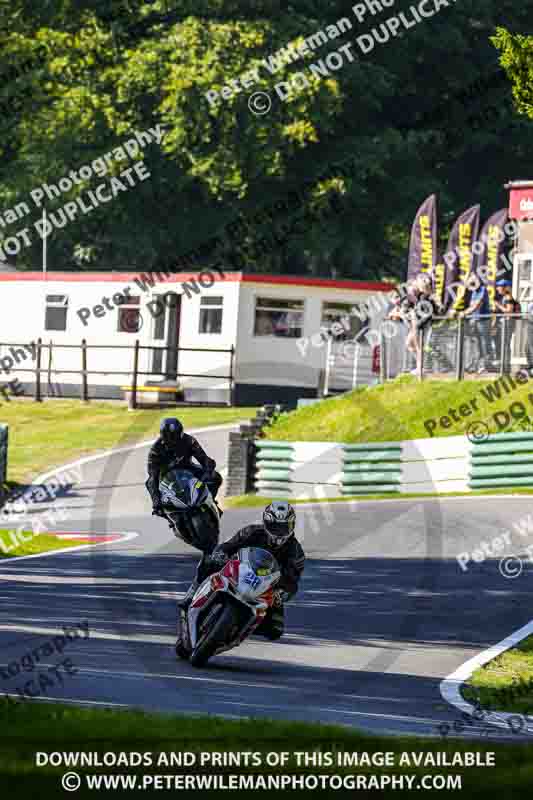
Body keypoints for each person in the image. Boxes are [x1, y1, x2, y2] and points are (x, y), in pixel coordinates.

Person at [178, 501, 305, 642]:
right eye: (275, 526)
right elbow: (229, 545)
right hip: (238, 572)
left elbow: (292, 581)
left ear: (292, 526)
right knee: (209, 561)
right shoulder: (252, 532)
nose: (279, 532)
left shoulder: (296, 552)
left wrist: (283, 593)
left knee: (275, 630)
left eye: (283, 527)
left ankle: (237, 630)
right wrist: (221, 553)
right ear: (266, 522)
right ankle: (191, 595)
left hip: (266, 589)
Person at [146, 417, 223, 517]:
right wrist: (156, 502)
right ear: (163, 436)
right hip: (167, 478)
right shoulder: (155, 450)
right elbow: (152, 474)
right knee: (150, 482)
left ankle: (210, 502)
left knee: (215, 477)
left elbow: (204, 459)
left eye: (176, 436)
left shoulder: (189, 441)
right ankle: (160, 509)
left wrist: (208, 471)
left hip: (188, 470)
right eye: (170, 437)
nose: (174, 441)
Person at [460, 274, 490, 374]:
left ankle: (484, 366)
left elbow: (477, 305)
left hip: (483, 321)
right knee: (474, 343)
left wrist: (464, 313)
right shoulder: (473, 292)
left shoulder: (483, 290)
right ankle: (473, 365)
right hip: (474, 320)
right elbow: (472, 306)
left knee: (483, 343)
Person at [493, 279, 519, 373]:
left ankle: (506, 366)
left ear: (504, 288)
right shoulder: (504, 297)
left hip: (508, 324)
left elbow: (509, 311)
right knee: (503, 344)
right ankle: (504, 365)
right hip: (504, 324)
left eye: (499, 286)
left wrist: (498, 305)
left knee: (506, 344)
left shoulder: (508, 297)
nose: (497, 288)